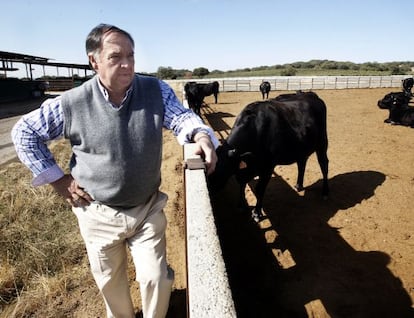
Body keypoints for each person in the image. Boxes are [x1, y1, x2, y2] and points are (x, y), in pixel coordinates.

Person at [11, 23, 218, 318]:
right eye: (115, 56)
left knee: (156, 278)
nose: (127, 64)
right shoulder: (71, 103)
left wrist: (200, 135)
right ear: (94, 61)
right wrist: (59, 180)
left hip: (146, 207)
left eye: (131, 56)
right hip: (97, 212)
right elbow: (24, 133)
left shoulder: (154, 90)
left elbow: (181, 117)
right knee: (111, 285)